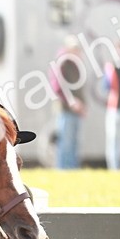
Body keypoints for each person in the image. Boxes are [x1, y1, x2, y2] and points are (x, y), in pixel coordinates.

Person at [49, 36, 86, 169]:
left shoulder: (75, 64)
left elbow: (79, 88)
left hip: (76, 110)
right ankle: (64, 168)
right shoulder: (62, 63)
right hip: (65, 109)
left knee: (73, 142)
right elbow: (57, 87)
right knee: (65, 142)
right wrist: (71, 102)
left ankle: (72, 168)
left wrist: (83, 105)